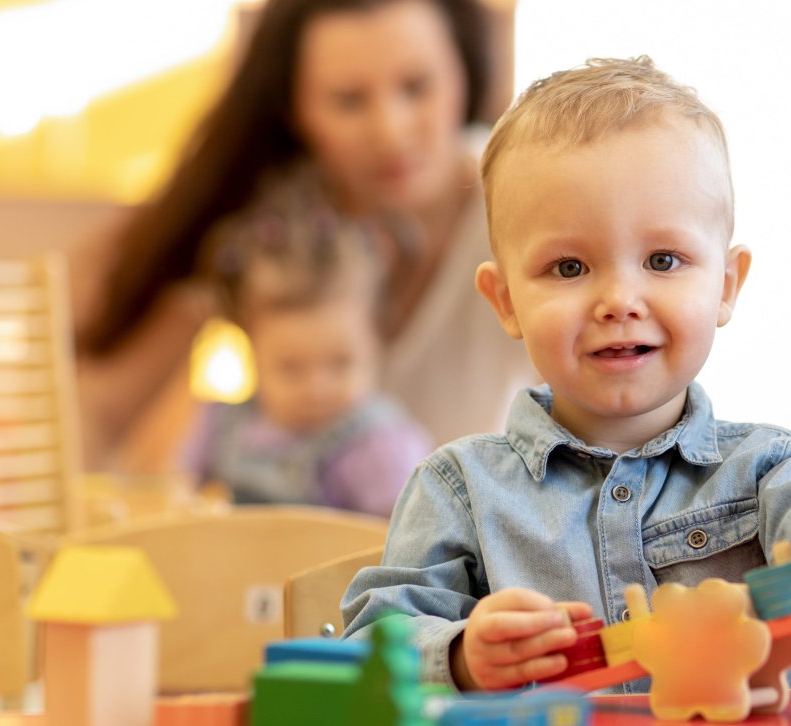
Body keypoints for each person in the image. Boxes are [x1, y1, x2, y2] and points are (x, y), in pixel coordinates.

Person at [340, 57, 791, 693]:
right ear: (506, 301)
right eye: (569, 268)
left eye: (663, 259)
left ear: (725, 286)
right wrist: (461, 656)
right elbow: (369, 648)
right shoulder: (457, 488)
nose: (619, 300)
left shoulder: (770, 467)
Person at [75, 0, 537, 471]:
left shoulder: (530, 201)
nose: (390, 130)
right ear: (294, 110)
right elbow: (101, 409)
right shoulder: (268, 226)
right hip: (298, 536)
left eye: (417, 87)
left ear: (464, 73)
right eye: (348, 100)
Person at [179, 167, 431, 517]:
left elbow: (405, 542)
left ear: (377, 342)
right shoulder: (221, 425)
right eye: (290, 368)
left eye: (340, 363)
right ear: (251, 351)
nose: (317, 386)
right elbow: (185, 502)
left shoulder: (378, 445)